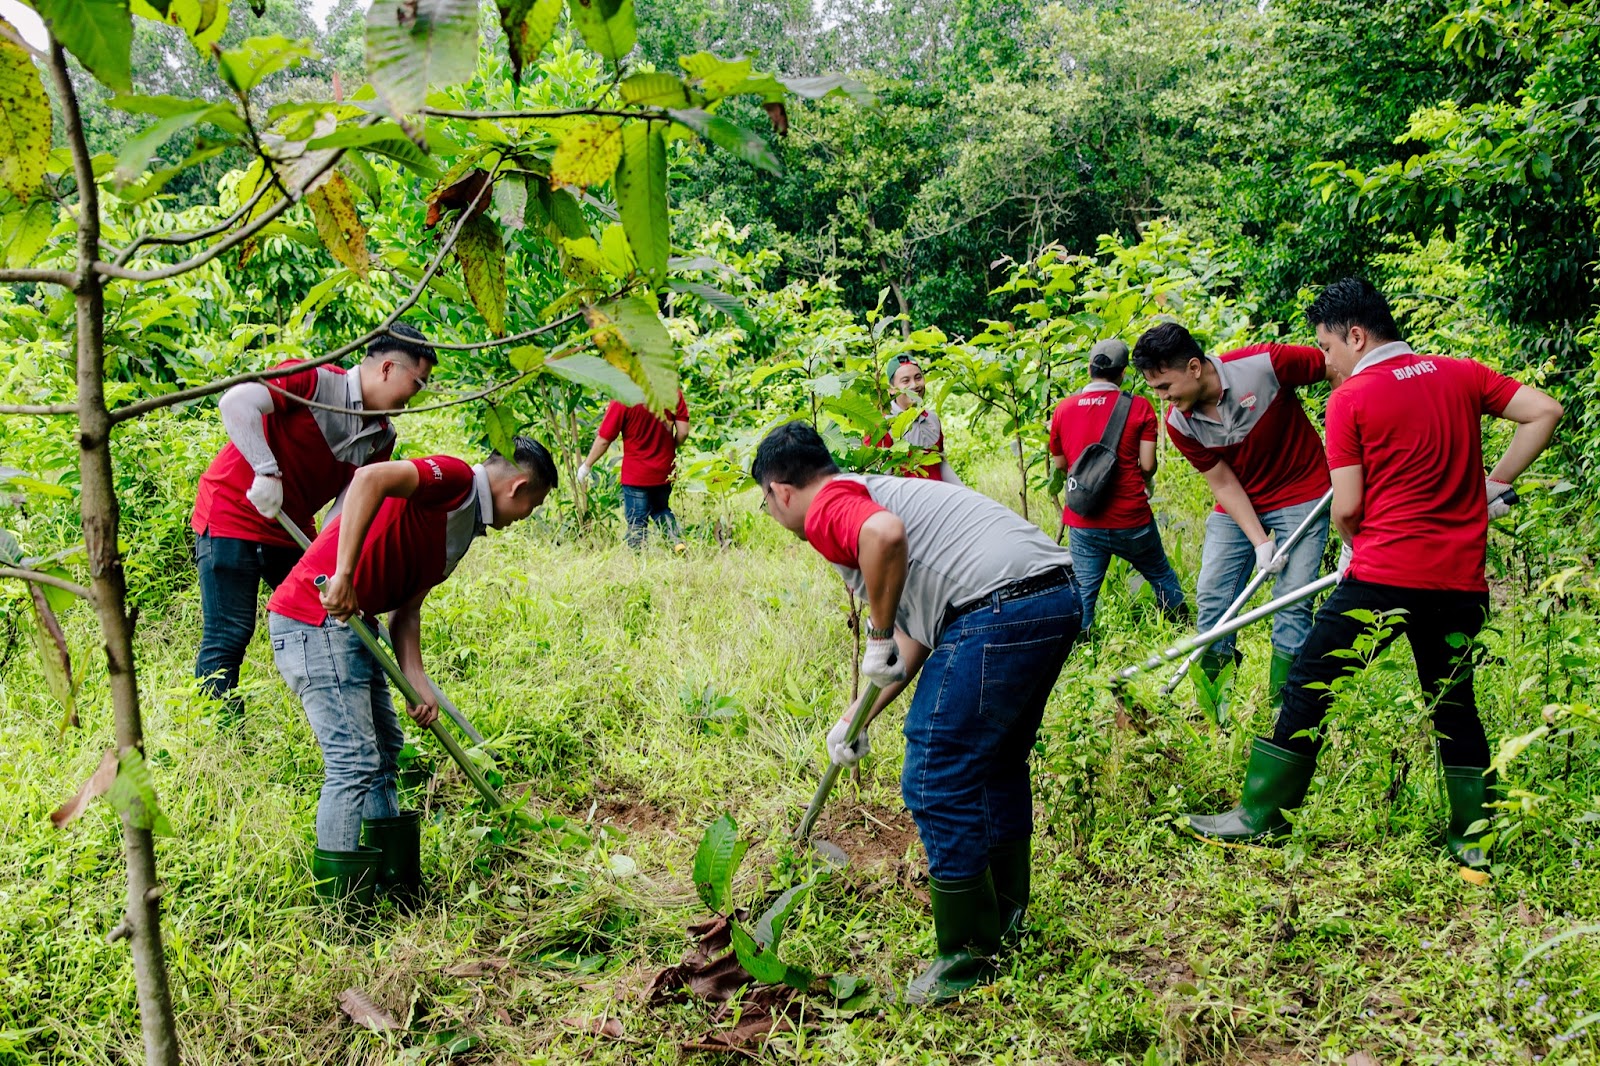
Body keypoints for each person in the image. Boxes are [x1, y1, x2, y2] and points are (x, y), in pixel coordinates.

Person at [1180, 278, 1562, 868]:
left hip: (1383, 575)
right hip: (1460, 581)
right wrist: (1494, 485)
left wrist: (1357, 546)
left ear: (1356, 337)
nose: (1327, 362)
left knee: (1311, 684)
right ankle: (1473, 840)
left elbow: (1347, 507)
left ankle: (1261, 815)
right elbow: (1544, 411)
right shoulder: (1460, 373)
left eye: (1327, 347)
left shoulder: (1351, 398)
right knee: (1453, 702)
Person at [752, 421, 1080, 1004]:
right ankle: (1006, 921)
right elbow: (916, 638)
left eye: (766, 504)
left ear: (779, 491)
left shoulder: (829, 507)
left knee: (936, 771)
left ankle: (966, 957)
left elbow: (884, 536)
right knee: (994, 763)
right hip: (1051, 594)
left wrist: (875, 634)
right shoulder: (870, 490)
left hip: (998, 605)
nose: (773, 515)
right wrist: (854, 719)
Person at [266, 437, 558, 905]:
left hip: (356, 624)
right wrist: (344, 575)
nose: (527, 516)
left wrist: (416, 680)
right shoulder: (457, 479)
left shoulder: (462, 527)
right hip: (315, 618)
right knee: (353, 762)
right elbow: (370, 478)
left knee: (385, 755)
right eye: (533, 505)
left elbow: (407, 609)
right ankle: (342, 909)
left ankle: (394, 887)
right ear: (518, 487)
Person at [190, 324, 435, 721]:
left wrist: (341, 574)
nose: (414, 397)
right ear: (388, 369)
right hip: (231, 513)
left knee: (331, 617)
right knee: (230, 634)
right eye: (417, 383)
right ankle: (216, 731)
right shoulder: (314, 379)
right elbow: (236, 402)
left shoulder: (381, 438)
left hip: (291, 529)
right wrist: (265, 470)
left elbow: (346, 511)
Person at [1131, 322, 1334, 710]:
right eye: (1155, 389)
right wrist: (1259, 542)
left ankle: (1282, 712)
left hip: (1302, 492)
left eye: (1165, 386)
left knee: (1292, 603)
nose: (1162, 397)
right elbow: (1222, 482)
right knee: (1212, 597)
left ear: (1194, 368)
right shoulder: (1179, 423)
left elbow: (1335, 368)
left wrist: (1350, 437)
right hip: (1240, 501)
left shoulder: (1265, 364)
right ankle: (1215, 709)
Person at [1048, 338, 1188, 632]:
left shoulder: (1063, 409)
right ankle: (1182, 630)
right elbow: (1147, 465)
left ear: (1089, 368)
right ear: (1123, 372)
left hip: (1084, 519)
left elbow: (1060, 464)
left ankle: (1083, 647)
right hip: (1131, 518)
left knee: (1084, 591)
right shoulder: (1139, 407)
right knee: (1160, 573)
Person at [577, 390, 690, 549]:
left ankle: (638, 558)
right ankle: (676, 543)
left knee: (637, 520)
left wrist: (586, 466)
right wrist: (670, 448)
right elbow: (683, 431)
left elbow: (604, 439)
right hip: (665, 471)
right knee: (661, 509)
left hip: (636, 475)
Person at [871, 354, 962, 483]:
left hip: (937, 493)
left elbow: (940, 463)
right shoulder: (881, 425)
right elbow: (880, 479)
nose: (914, 385)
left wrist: (964, 491)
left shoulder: (932, 419)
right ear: (892, 389)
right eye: (905, 381)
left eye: (918, 378)